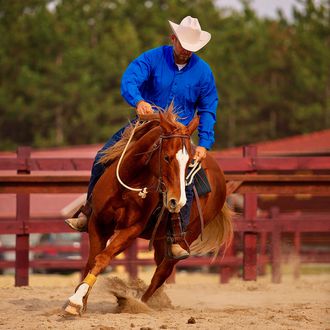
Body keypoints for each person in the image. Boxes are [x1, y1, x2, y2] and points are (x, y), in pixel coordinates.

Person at [66, 16, 218, 259]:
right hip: (145, 126)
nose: (186, 52)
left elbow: (208, 108)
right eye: (183, 46)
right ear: (173, 39)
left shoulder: (203, 72)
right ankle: (88, 211)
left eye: (191, 49)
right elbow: (129, 80)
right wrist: (138, 101)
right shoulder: (151, 58)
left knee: (186, 179)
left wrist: (205, 143)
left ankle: (176, 237)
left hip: (179, 134)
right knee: (102, 158)